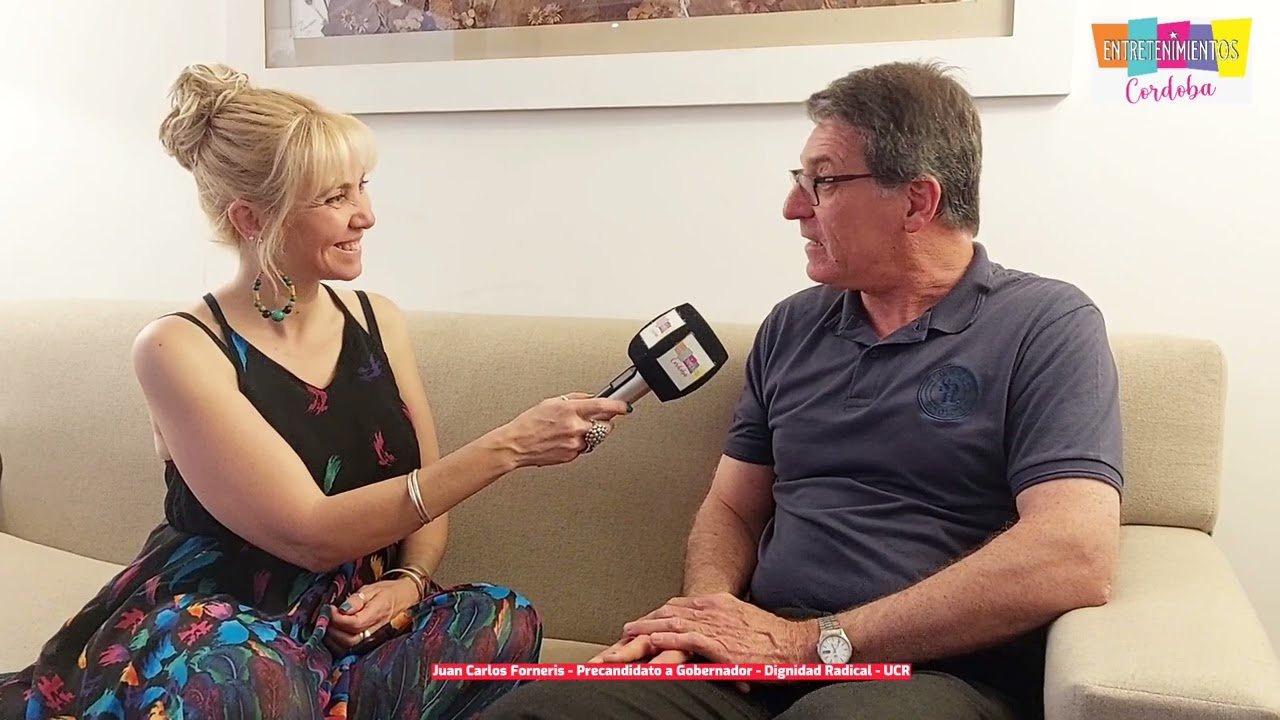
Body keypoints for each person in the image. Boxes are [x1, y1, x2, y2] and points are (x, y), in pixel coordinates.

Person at [481, 61, 1124, 720]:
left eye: (823, 181)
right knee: (534, 714)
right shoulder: (792, 326)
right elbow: (732, 507)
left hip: (932, 671)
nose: (793, 207)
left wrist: (811, 644)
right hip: (759, 658)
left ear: (917, 202)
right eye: (801, 180)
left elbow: (1073, 553)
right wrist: (705, 619)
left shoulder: (1047, 325)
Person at [0, 63, 630, 720]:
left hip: (354, 619)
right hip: (225, 625)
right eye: (335, 198)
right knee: (246, 673)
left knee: (500, 617)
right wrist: (510, 447)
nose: (367, 216)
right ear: (252, 217)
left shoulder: (379, 321)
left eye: (362, 186)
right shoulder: (178, 347)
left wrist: (407, 581)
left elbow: (425, 489)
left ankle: (322, 697)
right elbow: (310, 535)